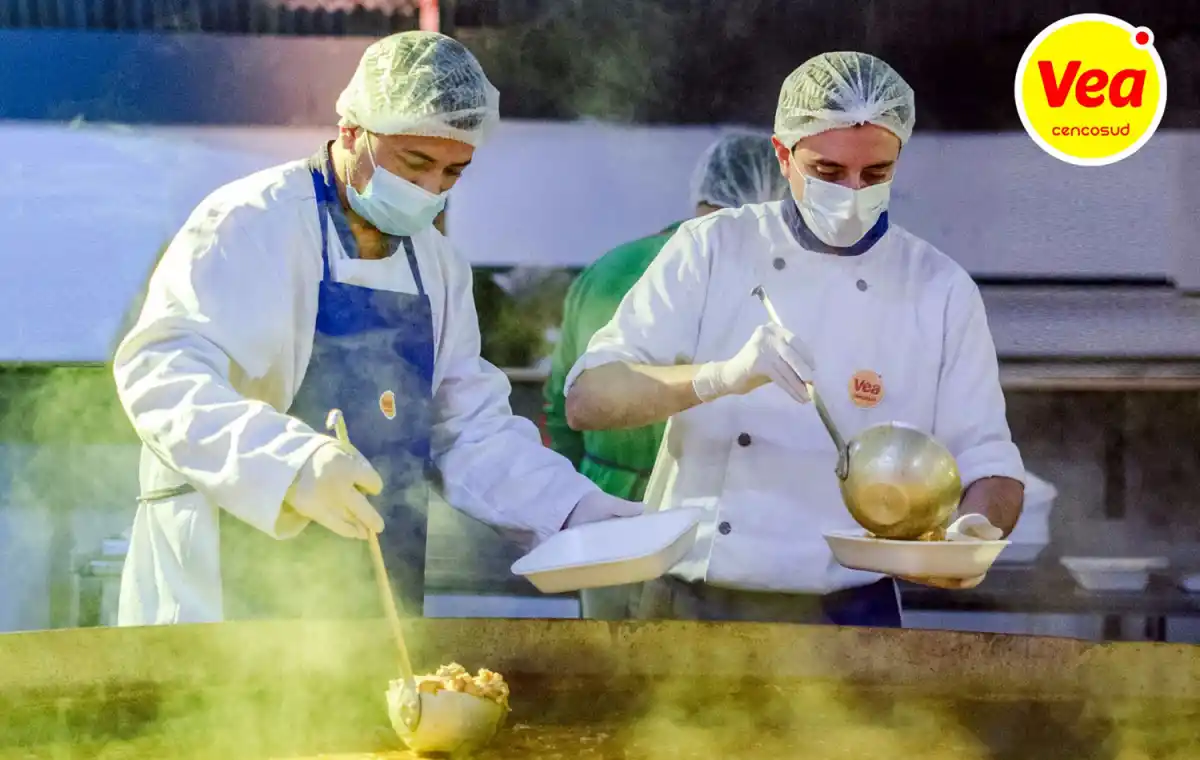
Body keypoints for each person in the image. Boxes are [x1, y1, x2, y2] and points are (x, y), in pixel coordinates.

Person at [112, 31, 640, 626]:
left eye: (452, 173)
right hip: (229, 571)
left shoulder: (437, 265)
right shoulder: (253, 221)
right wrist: (291, 465)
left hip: (373, 582)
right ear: (351, 131)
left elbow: (468, 430)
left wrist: (574, 510)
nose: (430, 190)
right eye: (414, 163)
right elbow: (161, 372)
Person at [562, 52, 1026, 627]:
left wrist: (974, 532)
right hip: (695, 601)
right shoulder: (712, 248)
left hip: (852, 608)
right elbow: (587, 399)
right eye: (828, 172)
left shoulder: (940, 288)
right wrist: (717, 378)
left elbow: (990, 460)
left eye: (876, 174)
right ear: (783, 156)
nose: (853, 192)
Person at [542, 132, 789, 619]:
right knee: (683, 681)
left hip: (602, 517)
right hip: (699, 524)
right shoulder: (758, 282)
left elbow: (560, 404)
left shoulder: (608, 267)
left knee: (603, 676)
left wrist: (582, 493)